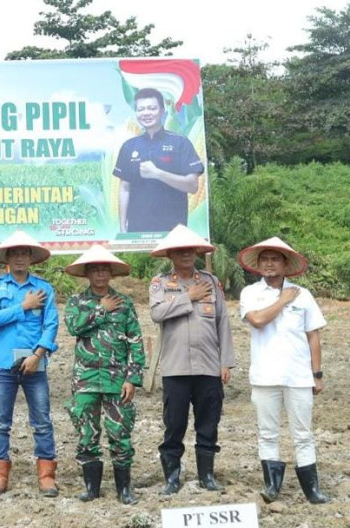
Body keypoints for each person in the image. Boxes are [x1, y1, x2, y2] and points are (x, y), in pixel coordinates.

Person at [238, 237, 330, 504]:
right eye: (264, 259)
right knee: (268, 432)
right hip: (265, 375)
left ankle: (312, 490)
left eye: (274, 259)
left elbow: (313, 335)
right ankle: (271, 487)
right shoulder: (250, 293)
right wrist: (282, 300)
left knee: (303, 432)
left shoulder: (304, 295)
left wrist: (317, 374)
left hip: (298, 375)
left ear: (285, 264)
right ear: (258, 265)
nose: (268, 263)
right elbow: (256, 320)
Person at [149, 225, 235, 494]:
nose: (185, 254)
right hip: (175, 367)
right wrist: (189, 297)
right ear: (171, 255)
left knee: (208, 422)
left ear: (197, 252)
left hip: (209, 366)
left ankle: (206, 476)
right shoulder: (160, 283)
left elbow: (223, 322)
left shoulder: (211, 282)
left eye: (190, 250)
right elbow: (157, 313)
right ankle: (172, 477)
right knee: (174, 424)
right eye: (179, 251)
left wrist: (225, 362)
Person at [65, 245, 146, 504]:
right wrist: (101, 309)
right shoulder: (77, 302)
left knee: (120, 433)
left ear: (110, 273)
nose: (100, 274)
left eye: (104, 269)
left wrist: (132, 378)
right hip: (86, 381)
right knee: (87, 434)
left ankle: (124, 488)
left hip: (116, 380)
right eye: (95, 270)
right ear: (87, 274)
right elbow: (73, 326)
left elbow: (135, 341)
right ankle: (92, 488)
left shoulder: (124, 304)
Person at [0, 231, 59, 498]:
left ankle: (47, 475)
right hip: (3, 364)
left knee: (42, 421)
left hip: (34, 363)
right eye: (14, 253)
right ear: (7, 257)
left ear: (30, 258)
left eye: (24, 253)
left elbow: (51, 325)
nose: (19, 258)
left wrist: (38, 354)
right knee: (1, 422)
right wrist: (24, 306)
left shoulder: (44, 288)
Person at [114, 87, 204, 233]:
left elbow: (192, 186)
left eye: (151, 108)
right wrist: (123, 227)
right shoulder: (128, 146)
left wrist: (157, 173)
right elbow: (124, 188)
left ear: (162, 111)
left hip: (174, 233)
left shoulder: (180, 142)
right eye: (141, 109)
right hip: (137, 232)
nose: (146, 113)